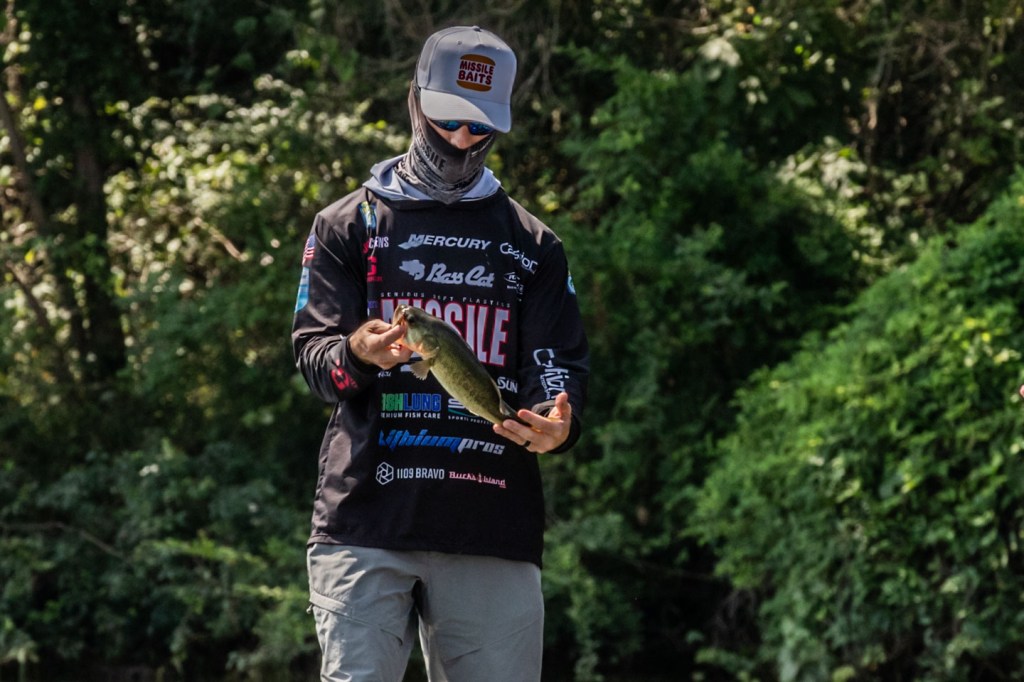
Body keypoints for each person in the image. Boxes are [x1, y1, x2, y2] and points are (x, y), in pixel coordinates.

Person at [291, 25, 589, 682]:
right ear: (414, 101)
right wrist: (357, 353)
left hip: (493, 527)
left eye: (479, 127)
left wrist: (556, 422)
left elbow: (557, 369)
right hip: (366, 521)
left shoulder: (535, 245)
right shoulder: (345, 226)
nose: (460, 139)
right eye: (447, 119)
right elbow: (315, 358)